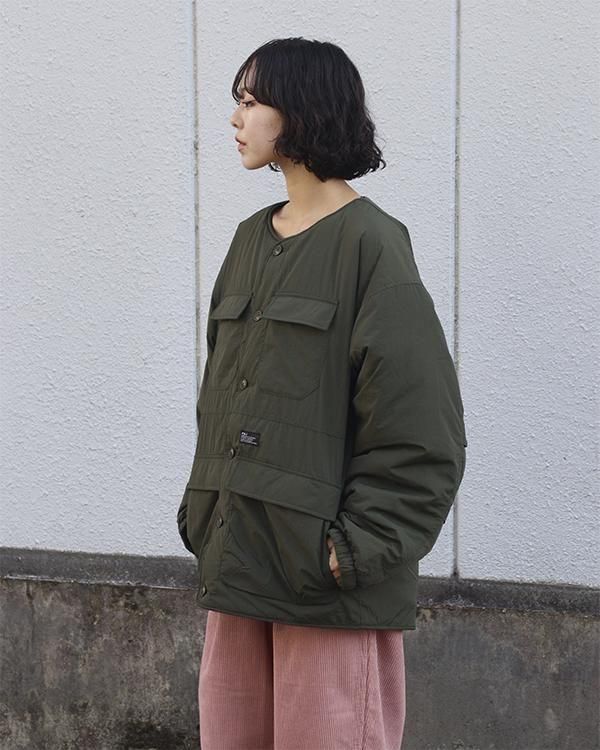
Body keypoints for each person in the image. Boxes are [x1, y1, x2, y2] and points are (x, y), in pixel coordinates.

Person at [176, 36, 468, 750]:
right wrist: (202, 514)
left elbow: (422, 429)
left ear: (301, 111)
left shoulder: (372, 244)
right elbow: (224, 398)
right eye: (237, 103)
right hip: (240, 569)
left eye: (252, 102)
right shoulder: (249, 239)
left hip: (326, 586)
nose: (235, 119)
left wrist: (352, 551)